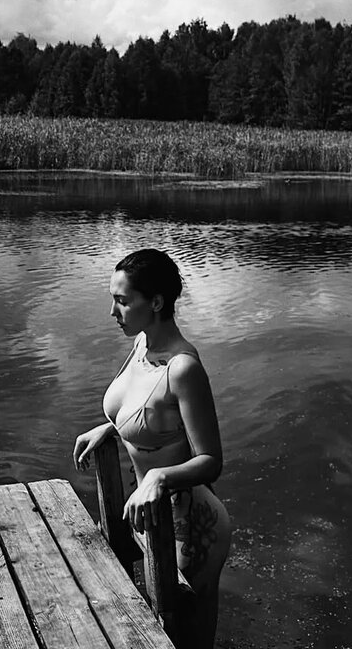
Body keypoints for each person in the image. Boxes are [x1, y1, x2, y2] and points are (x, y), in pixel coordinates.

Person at [73, 248, 231, 649]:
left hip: (190, 525)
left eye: (123, 301)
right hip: (150, 516)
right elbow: (147, 413)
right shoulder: (142, 344)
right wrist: (111, 429)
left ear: (156, 302)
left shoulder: (183, 368)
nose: (112, 312)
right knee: (160, 627)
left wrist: (160, 476)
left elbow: (211, 460)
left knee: (184, 637)